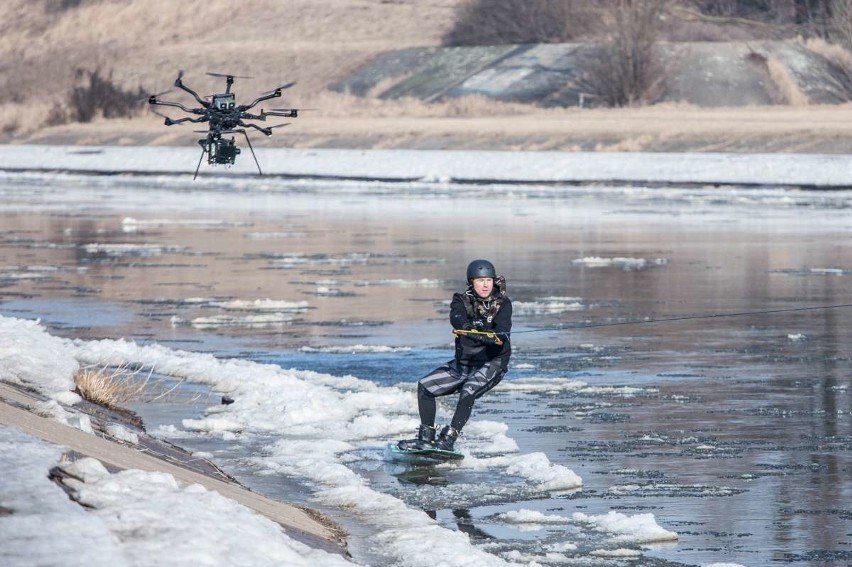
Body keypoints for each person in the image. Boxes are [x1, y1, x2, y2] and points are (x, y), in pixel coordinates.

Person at [399, 259, 512, 452]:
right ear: (471, 281)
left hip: (493, 363)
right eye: (480, 280)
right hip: (465, 362)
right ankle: (426, 437)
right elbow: (456, 317)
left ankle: (449, 439)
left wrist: (490, 336)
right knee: (425, 387)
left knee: (469, 390)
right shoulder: (461, 300)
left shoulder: (503, 303)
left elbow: (502, 332)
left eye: (488, 280)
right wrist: (466, 328)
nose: (485, 285)